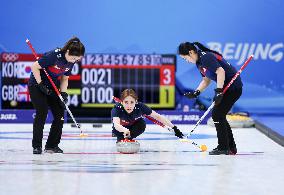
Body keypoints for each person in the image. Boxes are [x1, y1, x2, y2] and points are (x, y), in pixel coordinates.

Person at [178, 42, 243, 155]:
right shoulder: (199, 62)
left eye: (185, 58)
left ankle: (224, 147)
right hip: (225, 89)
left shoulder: (206, 57)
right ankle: (230, 147)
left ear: (190, 52)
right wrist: (196, 92)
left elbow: (220, 71)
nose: (186, 61)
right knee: (219, 115)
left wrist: (218, 91)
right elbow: (206, 80)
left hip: (233, 88)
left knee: (217, 115)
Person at [28, 37, 85, 154]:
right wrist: (40, 84)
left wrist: (63, 93)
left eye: (77, 59)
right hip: (37, 85)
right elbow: (35, 67)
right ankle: (37, 145)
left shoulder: (71, 61)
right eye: (74, 58)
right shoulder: (54, 55)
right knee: (42, 112)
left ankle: (51, 145)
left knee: (60, 114)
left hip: (53, 86)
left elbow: (65, 78)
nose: (74, 61)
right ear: (68, 52)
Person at [111, 89, 184, 142]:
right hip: (120, 129)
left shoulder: (141, 107)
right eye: (126, 102)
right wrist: (124, 130)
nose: (129, 105)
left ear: (136, 102)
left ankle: (129, 138)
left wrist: (174, 128)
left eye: (131, 102)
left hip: (133, 127)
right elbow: (116, 125)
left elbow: (158, 117)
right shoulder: (117, 108)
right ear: (122, 102)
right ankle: (121, 138)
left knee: (142, 124)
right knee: (116, 129)